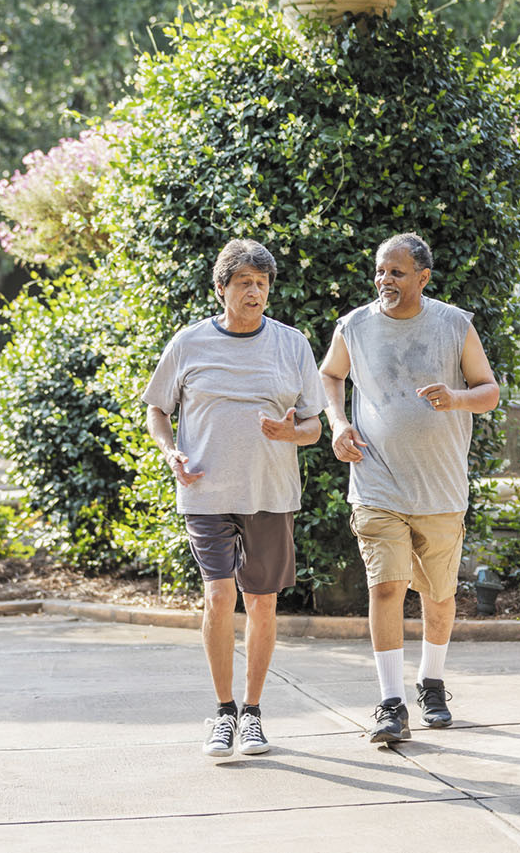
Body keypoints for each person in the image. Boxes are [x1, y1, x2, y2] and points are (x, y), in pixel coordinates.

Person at [142, 239, 326, 758]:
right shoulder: (189, 342)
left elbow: (314, 423)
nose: (255, 292)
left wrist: (293, 433)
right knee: (220, 596)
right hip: (204, 492)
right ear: (219, 288)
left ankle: (253, 713)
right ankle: (223, 712)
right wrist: (169, 450)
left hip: (270, 494)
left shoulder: (292, 344)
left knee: (262, 603)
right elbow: (157, 408)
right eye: (244, 282)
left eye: (262, 284)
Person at [320, 232, 499, 745]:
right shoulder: (354, 326)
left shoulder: (453, 324)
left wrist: (457, 398)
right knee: (386, 587)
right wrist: (337, 423)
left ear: (423, 276)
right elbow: (330, 375)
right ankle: (390, 702)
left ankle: (432, 681)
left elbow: (489, 392)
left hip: (440, 490)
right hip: (377, 485)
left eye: (397, 272)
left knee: (439, 596)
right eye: (380, 271)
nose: (385, 281)